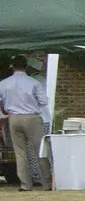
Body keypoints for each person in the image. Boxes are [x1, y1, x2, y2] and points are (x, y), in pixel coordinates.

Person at [0, 54, 50, 192]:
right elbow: (44, 102)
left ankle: (25, 184)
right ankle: (46, 183)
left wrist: (3, 114)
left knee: (20, 152)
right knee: (40, 150)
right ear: (26, 66)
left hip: (13, 117)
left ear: (12, 66)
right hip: (31, 117)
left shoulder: (4, 83)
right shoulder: (33, 82)